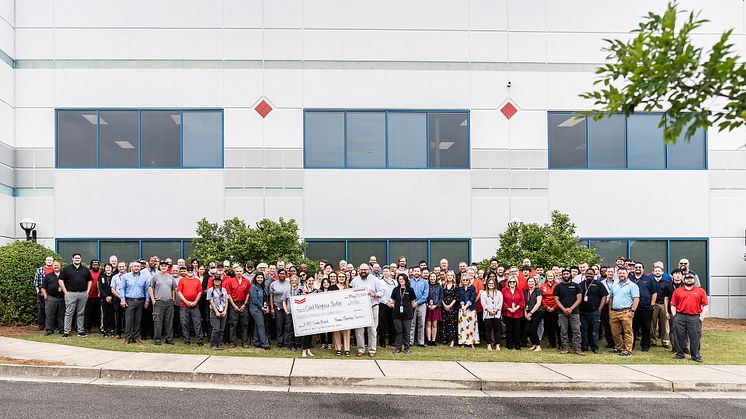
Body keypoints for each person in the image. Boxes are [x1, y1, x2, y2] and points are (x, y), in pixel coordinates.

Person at [671, 272, 708, 362]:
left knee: (695, 337)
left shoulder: (700, 291)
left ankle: (695, 355)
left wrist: (702, 317)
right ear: (684, 280)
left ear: (694, 280)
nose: (689, 280)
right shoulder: (678, 291)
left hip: (694, 317)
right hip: (680, 316)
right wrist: (675, 316)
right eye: (687, 278)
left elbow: (705, 305)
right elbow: (673, 305)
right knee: (679, 336)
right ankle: (680, 354)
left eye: (691, 278)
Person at [350, 264, 383, 357]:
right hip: (359, 308)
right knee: (359, 330)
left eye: (365, 269)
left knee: (372, 329)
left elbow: (382, 291)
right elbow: (350, 293)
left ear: (369, 270)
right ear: (358, 270)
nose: (363, 271)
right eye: (362, 270)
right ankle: (360, 349)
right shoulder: (355, 280)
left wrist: (374, 294)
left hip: (373, 306)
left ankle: (372, 349)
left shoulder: (375, 279)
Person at [58, 253, 93, 338]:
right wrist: (65, 292)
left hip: (82, 294)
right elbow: (60, 280)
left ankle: (80, 331)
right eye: (76, 258)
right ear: (72, 259)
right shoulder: (66, 269)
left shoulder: (85, 269)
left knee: (81, 313)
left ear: (81, 259)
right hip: (70, 294)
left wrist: (87, 291)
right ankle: (66, 332)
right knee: (69, 313)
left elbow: (90, 280)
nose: (77, 259)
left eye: (79, 258)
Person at [608, 267, 640, 357]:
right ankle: (619, 348)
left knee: (627, 332)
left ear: (627, 274)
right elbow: (611, 298)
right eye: (620, 273)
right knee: (615, 332)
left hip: (626, 311)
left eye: (623, 273)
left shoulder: (632, 285)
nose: (621, 275)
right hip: (614, 312)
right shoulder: (614, 285)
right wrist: (610, 310)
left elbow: (636, 299)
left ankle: (628, 350)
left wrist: (632, 311)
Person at [117, 261, 151, 344]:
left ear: (140, 268)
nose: (136, 268)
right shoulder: (126, 276)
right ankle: (128, 338)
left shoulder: (144, 277)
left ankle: (136, 337)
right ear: (131, 267)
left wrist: (147, 300)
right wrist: (122, 300)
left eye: (138, 266)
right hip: (129, 301)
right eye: (134, 266)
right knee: (129, 320)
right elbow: (122, 288)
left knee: (138, 320)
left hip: (140, 301)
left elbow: (147, 289)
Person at [554, 269, 584, 355]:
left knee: (576, 331)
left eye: (567, 274)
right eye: (564, 274)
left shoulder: (576, 286)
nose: (566, 275)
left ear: (570, 275)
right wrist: (563, 309)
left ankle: (578, 349)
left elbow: (579, 299)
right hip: (561, 312)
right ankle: (565, 348)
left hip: (574, 312)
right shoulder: (558, 286)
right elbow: (556, 299)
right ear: (562, 276)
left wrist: (571, 308)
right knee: (563, 331)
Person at [578, 267, 608, 354]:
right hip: (582, 312)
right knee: (583, 330)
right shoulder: (580, 284)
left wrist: (599, 309)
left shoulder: (598, 284)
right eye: (588, 273)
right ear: (585, 274)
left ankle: (594, 348)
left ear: (594, 275)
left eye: (591, 274)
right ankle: (584, 347)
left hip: (594, 312)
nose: (589, 275)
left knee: (594, 331)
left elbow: (604, 296)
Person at [148, 260, 176, 345]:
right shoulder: (155, 276)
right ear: (160, 266)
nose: (164, 267)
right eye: (162, 265)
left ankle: (169, 339)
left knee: (169, 322)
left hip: (169, 302)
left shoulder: (170, 277)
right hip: (158, 302)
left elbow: (174, 289)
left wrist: (173, 299)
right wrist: (153, 300)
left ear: (168, 267)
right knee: (158, 322)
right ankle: (157, 340)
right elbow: (150, 288)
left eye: (165, 266)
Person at [631, 262, 657, 352]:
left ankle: (645, 345)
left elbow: (654, 292)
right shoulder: (629, 278)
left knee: (646, 327)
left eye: (640, 267)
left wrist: (652, 304)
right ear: (634, 269)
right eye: (636, 267)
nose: (638, 268)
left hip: (645, 308)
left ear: (643, 269)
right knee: (632, 327)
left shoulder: (649, 279)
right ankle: (631, 345)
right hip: (632, 308)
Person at [388, 273, 416, 354]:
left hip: (407, 314)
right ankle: (398, 348)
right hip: (397, 314)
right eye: (400, 279)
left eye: (403, 279)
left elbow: (413, 303)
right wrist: (394, 306)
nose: (401, 281)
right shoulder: (395, 289)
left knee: (407, 332)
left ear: (406, 280)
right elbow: (392, 301)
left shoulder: (410, 290)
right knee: (399, 331)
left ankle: (407, 348)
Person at [176, 266, 203, 346]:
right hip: (184, 305)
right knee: (184, 323)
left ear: (194, 271)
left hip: (195, 305)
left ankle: (199, 340)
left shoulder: (197, 280)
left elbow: (200, 292)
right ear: (186, 271)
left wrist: (195, 302)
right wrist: (186, 301)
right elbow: (179, 292)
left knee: (197, 322)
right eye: (189, 270)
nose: (190, 271)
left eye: (191, 270)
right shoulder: (182, 280)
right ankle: (186, 340)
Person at [226, 265, 251, 348]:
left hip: (243, 303)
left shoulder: (246, 281)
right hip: (234, 303)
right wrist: (233, 305)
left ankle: (244, 342)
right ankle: (232, 342)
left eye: (240, 271)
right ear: (234, 272)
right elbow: (228, 294)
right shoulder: (230, 281)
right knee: (233, 324)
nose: (239, 273)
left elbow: (248, 294)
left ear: (242, 272)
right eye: (237, 271)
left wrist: (245, 304)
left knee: (244, 324)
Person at [650, 266, 674, 349]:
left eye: (659, 271)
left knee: (665, 324)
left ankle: (665, 341)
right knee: (652, 323)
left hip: (664, 305)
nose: (657, 272)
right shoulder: (650, 282)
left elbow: (669, 295)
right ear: (653, 272)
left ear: (662, 272)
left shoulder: (667, 283)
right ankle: (653, 341)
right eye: (656, 271)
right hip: (653, 304)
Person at [248, 272, 271, 350]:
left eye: (261, 278)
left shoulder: (265, 287)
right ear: (255, 278)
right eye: (258, 278)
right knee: (261, 325)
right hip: (255, 308)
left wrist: (267, 307)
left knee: (257, 325)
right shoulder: (253, 287)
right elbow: (254, 300)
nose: (260, 279)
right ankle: (265, 344)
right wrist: (262, 308)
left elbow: (266, 298)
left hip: (263, 308)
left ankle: (256, 342)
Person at [269, 269, 291, 348]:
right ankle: (280, 341)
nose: (282, 275)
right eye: (280, 274)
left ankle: (286, 341)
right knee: (279, 324)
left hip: (287, 307)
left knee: (287, 324)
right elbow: (271, 296)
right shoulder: (273, 284)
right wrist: (272, 308)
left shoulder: (289, 283)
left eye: (284, 274)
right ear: (278, 275)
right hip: (277, 306)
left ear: (286, 275)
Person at [330, 274, 351, 356]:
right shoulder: (332, 287)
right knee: (336, 330)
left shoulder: (349, 287)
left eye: (343, 277)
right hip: (336, 311)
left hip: (347, 311)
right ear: (337, 278)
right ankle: (338, 348)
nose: (341, 278)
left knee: (346, 330)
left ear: (345, 278)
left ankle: (347, 349)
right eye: (340, 277)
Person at [502, 274, 525, 350]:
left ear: (516, 282)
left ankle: (517, 345)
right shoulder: (504, 290)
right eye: (510, 282)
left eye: (513, 282)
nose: (512, 283)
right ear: (508, 282)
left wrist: (516, 308)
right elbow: (503, 301)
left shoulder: (519, 290)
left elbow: (522, 301)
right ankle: (509, 345)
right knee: (509, 329)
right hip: (508, 312)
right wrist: (509, 309)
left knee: (517, 329)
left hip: (518, 312)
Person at [480, 275, 503, 351]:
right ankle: (489, 344)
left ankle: (497, 345)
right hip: (487, 315)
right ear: (487, 284)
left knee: (497, 330)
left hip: (497, 314)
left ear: (495, 284)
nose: (491, 285)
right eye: (489, 283)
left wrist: (496, 310)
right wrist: (489, 310)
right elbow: (483, 304)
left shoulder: (499, 293)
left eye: (492, 283)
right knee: (488, 330)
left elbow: (500, 303)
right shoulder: (483, 293)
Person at [207, 275, 229, 350]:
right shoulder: (210, 290)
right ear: (213, 281)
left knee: (222, 329)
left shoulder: (224, 290)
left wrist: (225, 310)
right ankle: (213, 344)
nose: (217, 282)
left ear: (221, 281)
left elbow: (226, 300)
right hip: (214, 310)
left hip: (222, 310)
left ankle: (219, 344)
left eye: (218, 280)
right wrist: (216, 311)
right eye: (215, 280)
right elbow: (211, 301)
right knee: (216, 329)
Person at [408, 267, 428, 348]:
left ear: (420, 272)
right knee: (411, 323)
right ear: (413, 272)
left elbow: (425, 295)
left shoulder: (425, 282)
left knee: (421, 323)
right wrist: (412, 302)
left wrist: (417, 302)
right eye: (415, 271)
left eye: (418, 271)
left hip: (422, 305)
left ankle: (421, 341)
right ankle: (410, 341)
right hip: (411, 305)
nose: (416, 272)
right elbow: (408, 292)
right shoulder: (409, 282)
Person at [42, 261, 64, 335]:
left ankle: (62, 329)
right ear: (52, 267)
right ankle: (49, 329)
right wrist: (46, 296)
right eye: (55, 265)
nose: (56, 266)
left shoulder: (64, 275)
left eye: (58, 265)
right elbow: (43, 288)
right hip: (51, 298)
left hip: (62, 298)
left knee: (62, 314)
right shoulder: (48, 276)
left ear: (60, 266)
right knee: (49, 314)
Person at [457, 272, 478, 349]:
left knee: (471, 326)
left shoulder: (472, 288)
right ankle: (463, 342)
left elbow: (473, 298)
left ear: (469, 280)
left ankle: (471, 342)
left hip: (471, 308)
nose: (465, 281)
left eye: (466, 280)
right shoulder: (460, 289)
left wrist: (466, 306)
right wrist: (463, 306)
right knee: (463, 325)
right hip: (462, 308)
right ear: (462, 281)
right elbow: (460, 298)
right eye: (464, 280)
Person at [377, 267, 397, 348]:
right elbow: (379, 294)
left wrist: (393, 302)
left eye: (387, 271)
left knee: (392, 323)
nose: (385, 272)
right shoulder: (379, 282)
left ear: (390, 272)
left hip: (393, 304)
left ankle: (392, 341)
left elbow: (396, 293)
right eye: (384, 271)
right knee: (382, 324)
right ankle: (382, 342)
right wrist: (386, 302)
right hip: (383, 304)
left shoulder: (395, 282)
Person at [34, 256, 55, 330]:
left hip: (52, 294)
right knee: (41, 310)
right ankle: (41, 325)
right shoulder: (40, 270)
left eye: (51, 260)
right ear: (45, 261)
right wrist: (37, 292)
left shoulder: (55, 270)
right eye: (48, 260)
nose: (49, 261)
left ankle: (51, 325)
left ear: (53, 261)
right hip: (41, 293)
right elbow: (36, 283)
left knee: (51, 310)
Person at [281, 274, 302, 351]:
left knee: (298, 330)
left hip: (298, 313)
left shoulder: (301, 290)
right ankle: (292, 345)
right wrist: (286, 310)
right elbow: (283, 301)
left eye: (295, 280)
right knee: (290, 329)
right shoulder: (287, 290)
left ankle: (298, 345)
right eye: (292, 280)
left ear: (298, 281)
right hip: (289, 313)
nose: (294, 282)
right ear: (290, 281)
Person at [539, 271, 559, 348]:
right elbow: (542, 298)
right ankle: (552, 343)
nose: (549, 277)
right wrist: (546, 307)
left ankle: (560, 343)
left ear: (554, 277)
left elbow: (558, 298)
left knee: (557, 326)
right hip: (546, 308)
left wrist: (554, 307)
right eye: (548, 276)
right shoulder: (542, 286)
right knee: (548, 326)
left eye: (551, 276)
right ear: (546, 277)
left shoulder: (557, 285)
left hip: (556, 308)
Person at [524, 276, 543, 352]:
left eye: (532, 281)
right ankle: (534, 344)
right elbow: (524, 303)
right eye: (529, 281)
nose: (531, 283)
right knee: (527, 330)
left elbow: (538, 303)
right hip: (527, 312)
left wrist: (530, 313)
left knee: (533, 329)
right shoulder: (525, 291)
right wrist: (525, 313)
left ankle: (538, 346)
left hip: (538, 312)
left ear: (535, 282)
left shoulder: (538, 291)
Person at [425, 272, 443, 346]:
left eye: (434, 277)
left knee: (434, 324)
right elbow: (425, 295)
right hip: (428, 307)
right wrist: (427, 304)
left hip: (436, 307)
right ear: (429, 278)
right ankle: (429, 340)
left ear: (436, 278)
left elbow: (441, 297)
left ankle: (433, 340)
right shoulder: (426, 285)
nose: (432, 278)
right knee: (428, 323)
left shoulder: (439, 286)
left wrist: (436, 305)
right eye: (431, 277)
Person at [441, 271, 459, 347]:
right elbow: (441, 296)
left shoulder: (456, 286)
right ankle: (446, 339)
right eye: (448, 275)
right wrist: (445, 305)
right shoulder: (443, 286)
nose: (449, 277)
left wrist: (450, 305)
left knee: (452, 324)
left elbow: (456, 297)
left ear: (453, 277)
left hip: (453, 307)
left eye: (451, 275)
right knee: (445, 324)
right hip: (444, 307)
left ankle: (452, 340)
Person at [600, 267, 616, 348]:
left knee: (615, 324)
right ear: (606, 272)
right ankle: (610, 342)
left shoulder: (617, 282)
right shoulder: (601, 283)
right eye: (609, 271)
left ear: (614, 272)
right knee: (606, 324)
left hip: (615, 305)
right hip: (605, 306)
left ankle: (616, 342)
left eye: (612, 271)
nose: (610, 273)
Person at [110, 262, 127, 339]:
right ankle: (118, 334)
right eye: (120, 267)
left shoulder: (129, 276)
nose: (121, 268)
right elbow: (113, 289)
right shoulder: (115, 277)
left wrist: (124, 298)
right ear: (118, 268)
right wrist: (121, 297)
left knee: (127, 317)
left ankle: (128, 333)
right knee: (118, 316)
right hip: (117, 299)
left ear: (125, 267)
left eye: (123, 266)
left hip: (128, 299)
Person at [98, 263, 115, 336]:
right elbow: (100, 288)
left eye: (109, 267)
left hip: (112, 298)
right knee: (105, 315)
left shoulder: (114, 276)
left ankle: (112, 329)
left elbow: (115, 287)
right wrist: (106, 297)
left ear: (112, 268)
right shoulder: (101, 277)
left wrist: (111, 296)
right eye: (107, 267)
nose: (108, 269)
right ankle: (105, 330)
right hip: (104, 299)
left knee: (112, 315)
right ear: (104, 268)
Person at [85, 259, 102, 334]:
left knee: (98, 313)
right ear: (91, 265)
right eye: (94, 265)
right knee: (88, 313)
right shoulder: (88, 272)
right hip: (89, 295)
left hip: (98, 296)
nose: (95, 266)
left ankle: (97, 327)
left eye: (97, 265)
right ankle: (87, 327)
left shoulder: (101, 273)